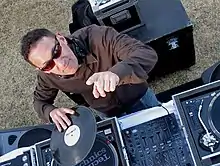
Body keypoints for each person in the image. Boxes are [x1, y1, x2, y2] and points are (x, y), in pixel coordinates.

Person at [20, 24, 160, 132]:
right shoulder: (47, 76)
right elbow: (39, 101)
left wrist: (116, 73)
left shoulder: (98, 36)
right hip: (106, 112)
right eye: (48, 65)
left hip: (138, 96)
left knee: (163, 126)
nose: (61, 63)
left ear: (61, 39)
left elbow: (145, 53)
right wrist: (51, 112)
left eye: (56, 52)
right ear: (41, 69)